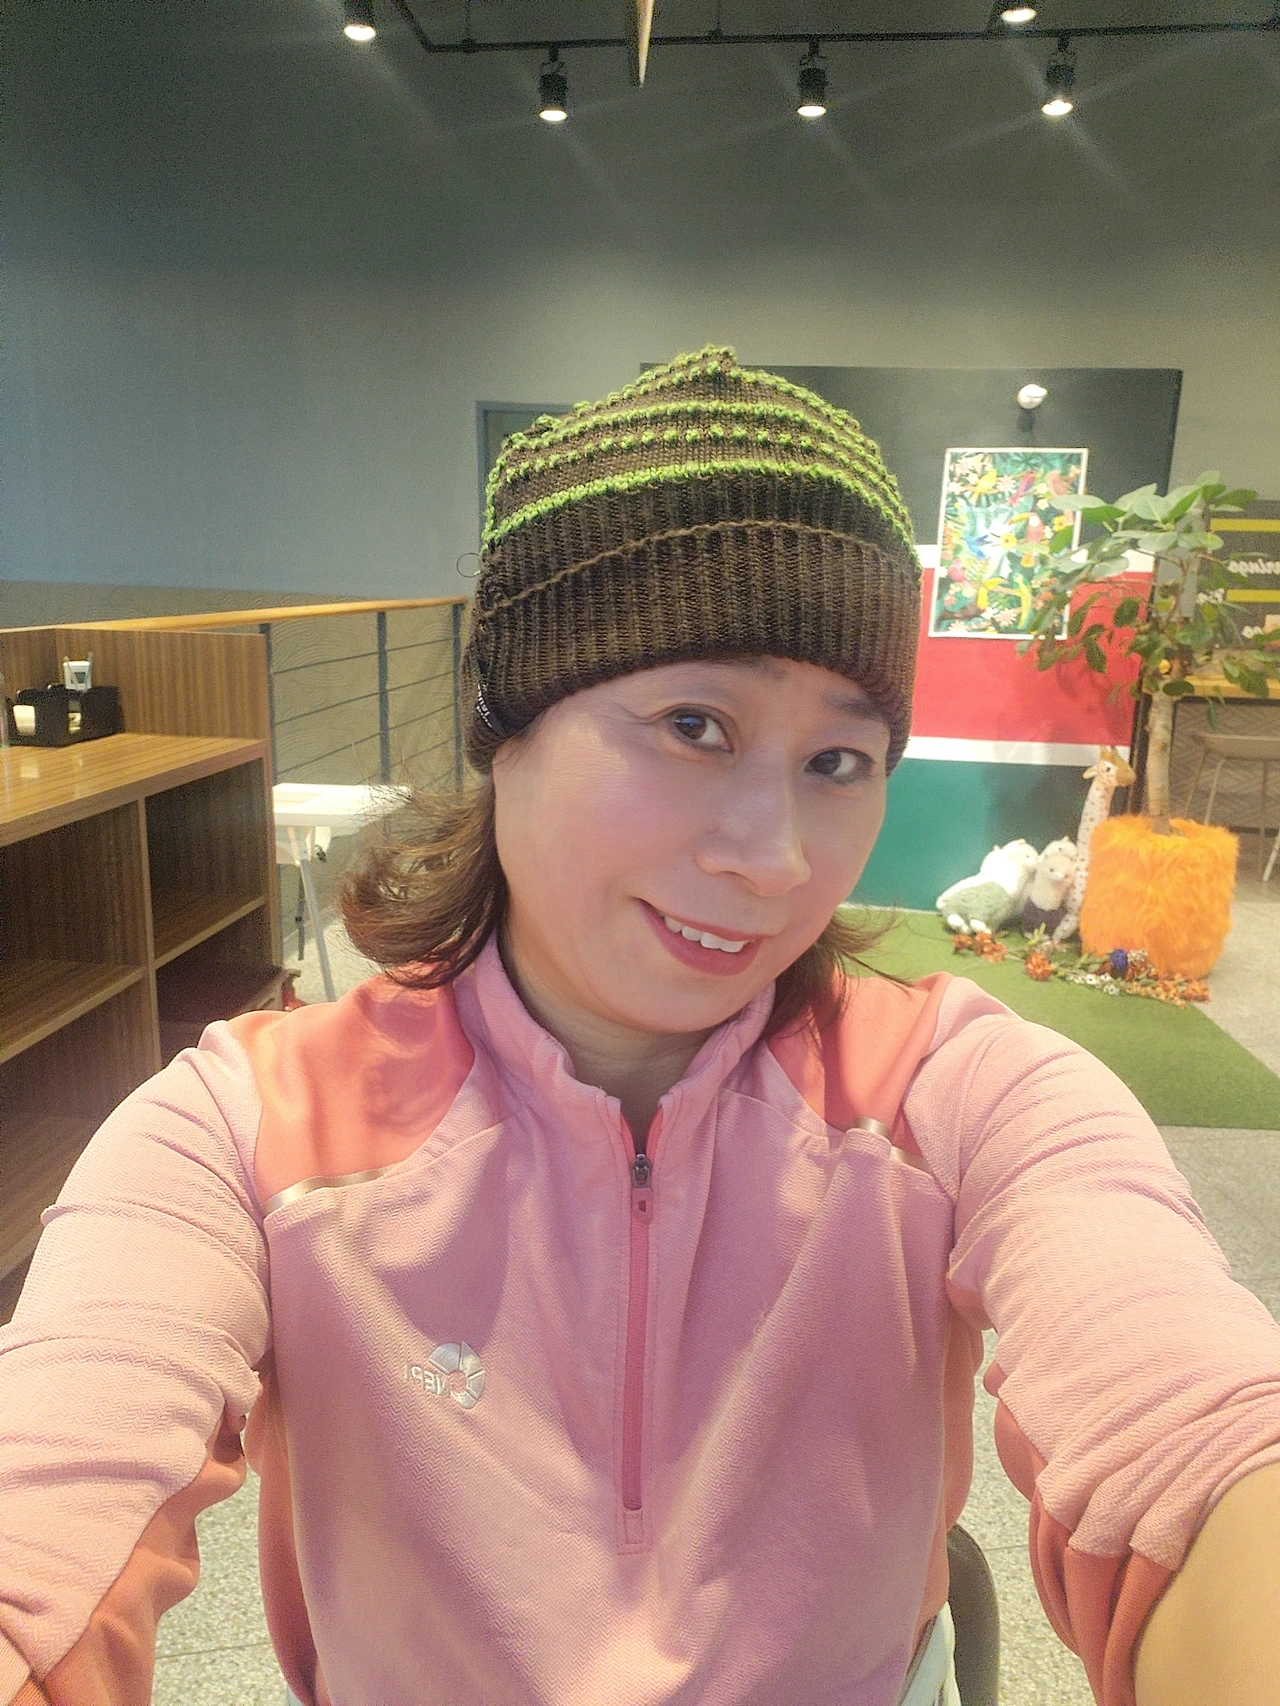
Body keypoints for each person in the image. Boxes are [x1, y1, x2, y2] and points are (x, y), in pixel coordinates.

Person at [2, 347, 1280, 1706]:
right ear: (508, 720)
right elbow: (53, 1503)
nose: (774, 857)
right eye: (693, 724)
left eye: (837, 760)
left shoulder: (961, 1095)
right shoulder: (244, 1134)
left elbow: (1189, 1432)